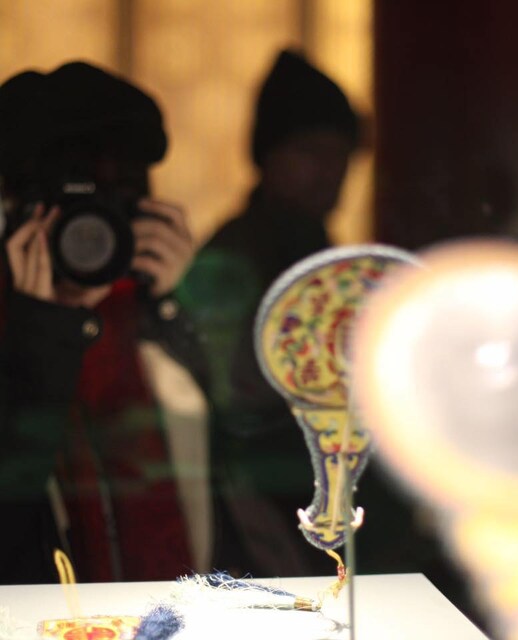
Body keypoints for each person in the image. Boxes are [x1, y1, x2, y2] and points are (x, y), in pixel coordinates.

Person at [0, 61, 212, 584]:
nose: (87, 233)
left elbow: (250, 465)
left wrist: (176, 312)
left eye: (109, 202)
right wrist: (42, 327)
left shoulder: (148, 313)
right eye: (66, 206)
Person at [179, 49, 360, 577]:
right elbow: (231, 400)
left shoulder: (317, 253)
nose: (329, 170)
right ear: (269, 155)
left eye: (341, 154)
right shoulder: (233, 259)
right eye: (310, 151)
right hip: (259, 502)